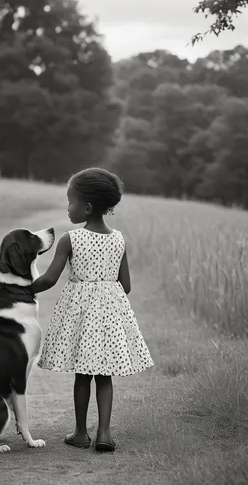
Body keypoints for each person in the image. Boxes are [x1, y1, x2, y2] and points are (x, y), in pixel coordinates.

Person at [30, 167, 154, 452]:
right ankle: (105, 434)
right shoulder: (119, 238)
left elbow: (49, 279)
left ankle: (80, 433)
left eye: (70, 201)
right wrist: (107, 297)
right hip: (110, 313)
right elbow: (127, 284)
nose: (68, 207)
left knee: (83, 375)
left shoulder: (70, 239)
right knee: (104, 375)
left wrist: (22, 290)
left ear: (86, 207)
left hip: (80, 314)